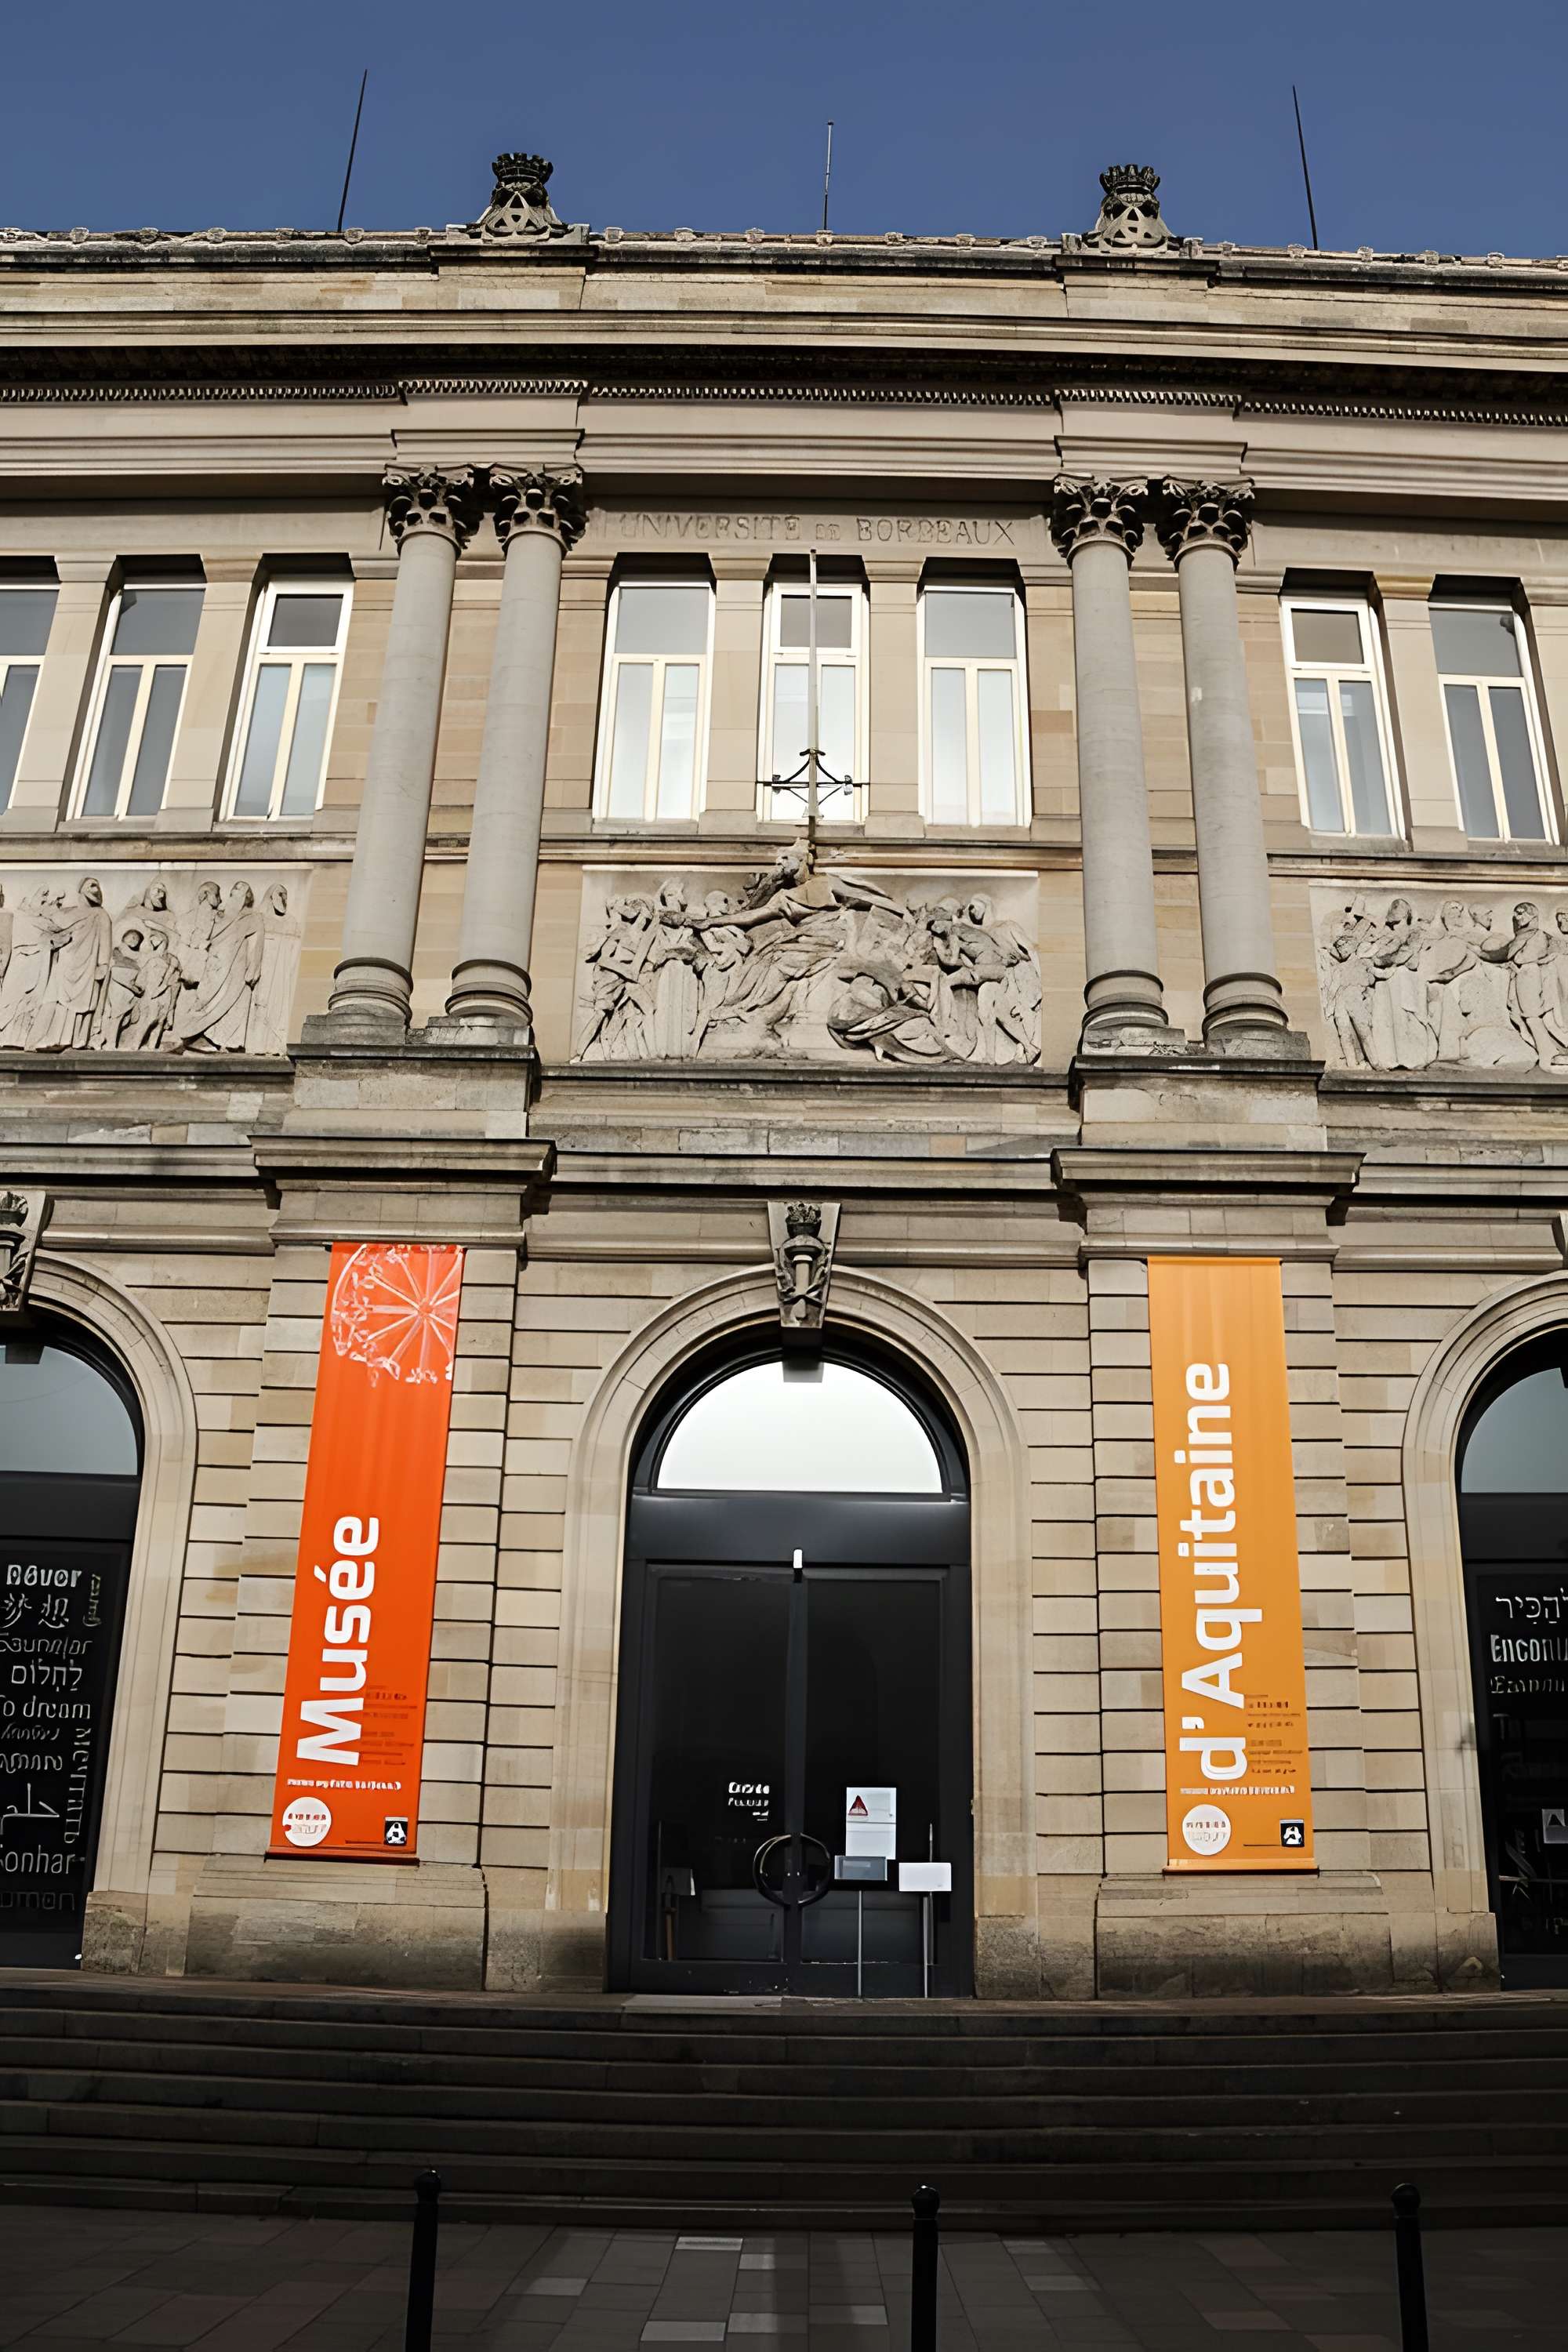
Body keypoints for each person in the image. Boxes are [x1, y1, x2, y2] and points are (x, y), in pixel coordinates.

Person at [173, 880, 263, 1051]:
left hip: (237, 965)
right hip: (214, 965)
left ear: (248, 897)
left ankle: (227, 1040)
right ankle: (192, 1034)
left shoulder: (253, 917)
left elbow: (257, 945)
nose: (238, 890)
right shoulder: (218, 915)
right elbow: (201, 932)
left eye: (243, 889)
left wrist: (254, 969)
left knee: (234, 999)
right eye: (236, 887)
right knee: (205, 1000)